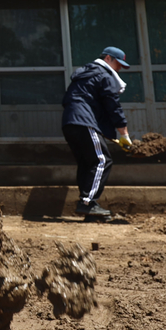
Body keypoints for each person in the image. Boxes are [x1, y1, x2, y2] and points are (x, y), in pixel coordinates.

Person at [61, 46, 134, 221]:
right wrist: (124, 134)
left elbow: (77, 101)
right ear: (108, 58)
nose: (119, 69)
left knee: (88, 163)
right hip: (83, 122)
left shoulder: (85, 74)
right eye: (118, 64)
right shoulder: (104, 74)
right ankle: (87, 203)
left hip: (70, 123)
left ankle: (88, 207)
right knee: (102, 160)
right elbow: (112, 105)